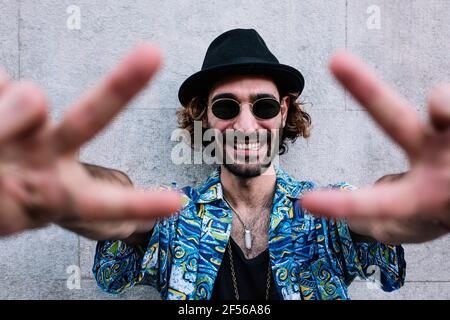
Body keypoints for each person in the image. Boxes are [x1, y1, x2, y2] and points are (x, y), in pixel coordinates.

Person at [0, 28, 448, 300]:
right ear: (203, 118)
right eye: (227, 107)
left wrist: (432, 203)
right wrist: (65, 184)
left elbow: (390, 214)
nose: (247, 124)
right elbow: (116, 202)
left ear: (285, 112)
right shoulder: (173, 216)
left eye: (265, 106)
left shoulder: (328, 212)